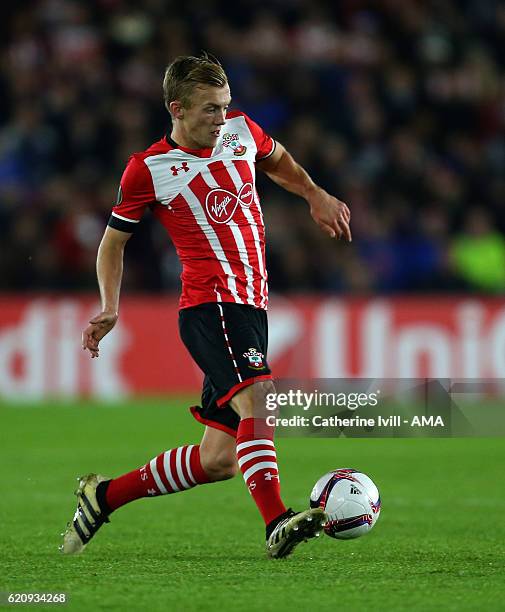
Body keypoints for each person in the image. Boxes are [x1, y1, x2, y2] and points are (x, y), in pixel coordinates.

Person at [61, 53, 351, 559]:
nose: (222, 118)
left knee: (218, 460)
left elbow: (277, 160)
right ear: (177, 108)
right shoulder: (147, 169)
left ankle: (102, 497)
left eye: (225, 106)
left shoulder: (241, 130)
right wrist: (110, 306)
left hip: (252, 306)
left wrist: (314, 193)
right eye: (211, 110)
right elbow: (112, 244)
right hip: (210, 306)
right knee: (260, 400)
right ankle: (275, 521)